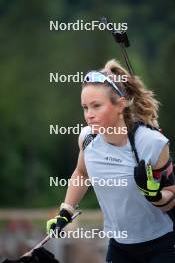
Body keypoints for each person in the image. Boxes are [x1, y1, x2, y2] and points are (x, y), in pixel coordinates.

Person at [47, 59, 175, 262]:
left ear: (120, 105)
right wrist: (66, 211)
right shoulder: (87, 138)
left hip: (162, 244)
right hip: (119, 246)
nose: (89, 115)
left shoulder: (150, 143)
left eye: (96, 106)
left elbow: (172, 198)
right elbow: (82, 173)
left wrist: (155, 195)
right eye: (85, 108)